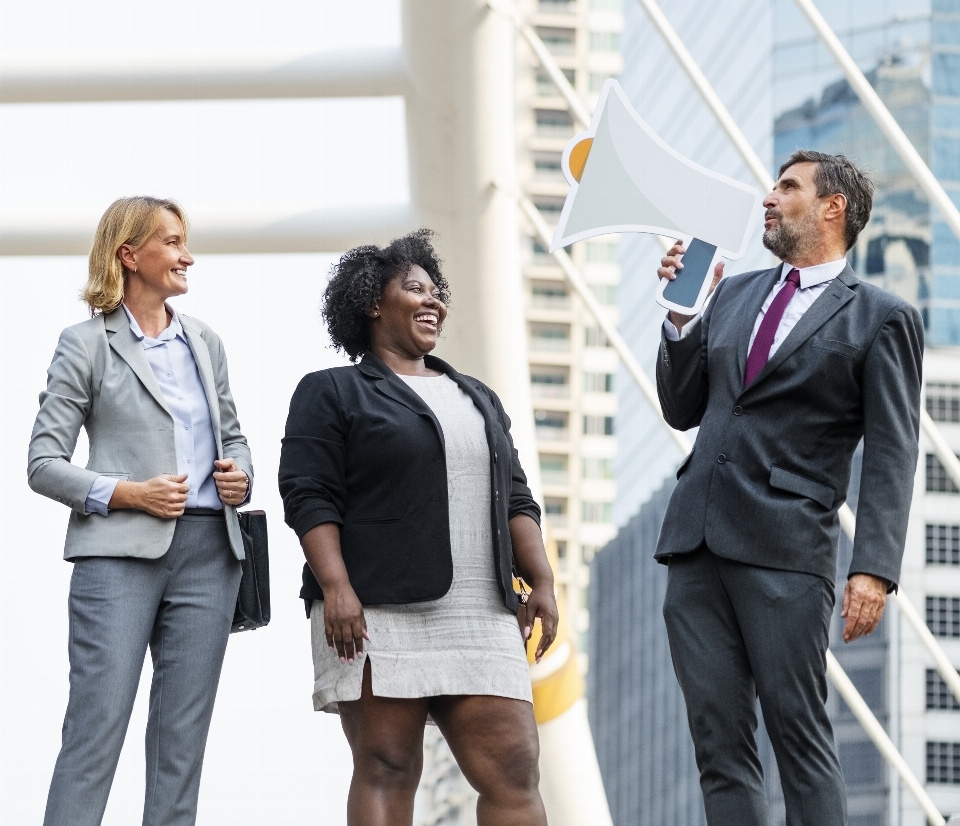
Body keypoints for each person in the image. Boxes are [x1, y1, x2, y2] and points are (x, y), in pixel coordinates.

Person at [655, 150, 923, 826]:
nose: (768, 198)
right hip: (695, 543)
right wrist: (683, 319)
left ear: (832, 208)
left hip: (786, 550)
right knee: (719, 749)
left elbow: (894, 449)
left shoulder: (880, 317)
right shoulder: (735, 291)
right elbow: (683, 407)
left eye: (787, 187)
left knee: (797, 736)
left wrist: (875, 570)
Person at [278, 229, 558, 826]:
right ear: (373, 305)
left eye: (437, 292)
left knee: (514, 771)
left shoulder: (477, 396)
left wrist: (542, 582)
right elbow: (308, 495)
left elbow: (515, 495)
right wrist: (337, 588)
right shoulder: (332, 391)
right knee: (388, 767)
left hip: (482, 612)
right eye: (415, 289)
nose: (434, 301)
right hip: (375, 609)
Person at [28, 197, 254, 826]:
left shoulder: (205, 341)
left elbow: (233, 438)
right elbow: (42, 464)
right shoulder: (85, 344)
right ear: (130, 255)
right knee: (95, 727)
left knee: (182, 745)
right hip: (118, 558)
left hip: (212, 554)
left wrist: (242, 475)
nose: (187, 255)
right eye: (173, 242)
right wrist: (129, 493)